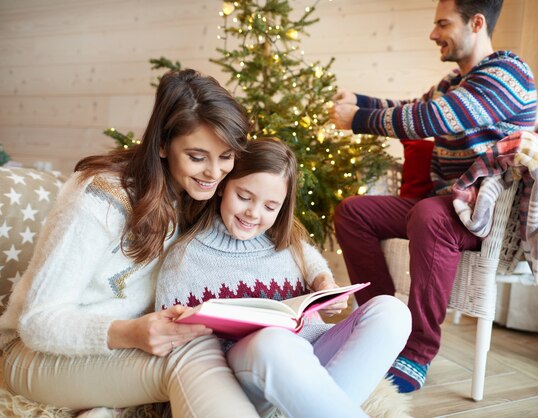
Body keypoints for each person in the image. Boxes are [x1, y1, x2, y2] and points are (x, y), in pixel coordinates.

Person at [0, 69, 262, 417]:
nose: (214, 173)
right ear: (163, 145)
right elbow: (38, 323)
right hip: (34, 356)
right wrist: (129, 333)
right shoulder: (99, 198)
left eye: (226, 157)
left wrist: (318, 276)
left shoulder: (200, 195)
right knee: (190, 356)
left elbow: (274, 228)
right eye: (197, 157)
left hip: (114, 355)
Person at [329, 0, 537, 393]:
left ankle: (418, 350)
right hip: (444, 204)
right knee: (353, 212)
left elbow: (432, 119)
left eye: (443, 23)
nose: (433, 33)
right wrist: (359, 100)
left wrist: (356, 119)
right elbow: (413, 108)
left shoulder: (508, 73)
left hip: (483, 213)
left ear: (476, 23)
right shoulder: (453, 83)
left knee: (428, 214)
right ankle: (383, 323)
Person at [155, 137, 412, 418]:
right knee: (275, 341)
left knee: (392, 311)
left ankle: (319, 407)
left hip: (309, 356)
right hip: (244, 372)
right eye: (244, 197)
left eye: (270, 207)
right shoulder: (184, 256)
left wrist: (324, 283)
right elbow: (176, 343)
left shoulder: (286, 241)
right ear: (223, 187)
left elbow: (313, 261)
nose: (253, 213)